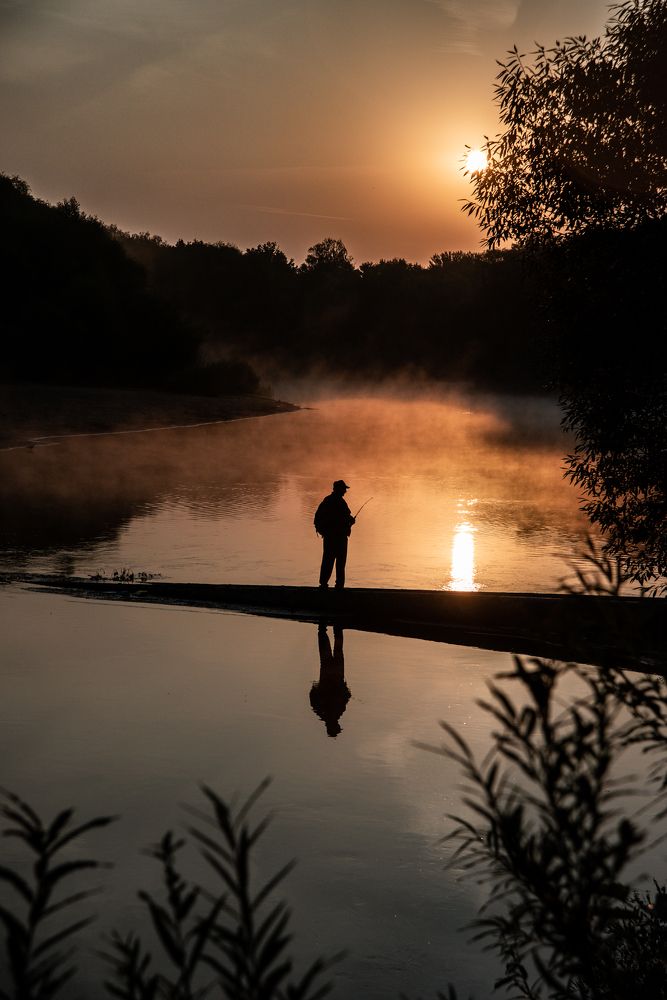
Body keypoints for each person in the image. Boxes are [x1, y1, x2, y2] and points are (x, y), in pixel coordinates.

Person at [309, 623, 351, 737]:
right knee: (333, 650)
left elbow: (347, 696)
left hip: (332, 676)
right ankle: (329, 627)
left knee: (335, 650)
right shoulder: (330, 712)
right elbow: (346, 696)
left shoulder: (325, 712)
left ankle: (329, 627)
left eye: (336, 726)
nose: (337, 724)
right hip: (334, 676)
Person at [314, 479, 355, 588]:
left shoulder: (327, 500)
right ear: (339, 489)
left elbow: (318, 517)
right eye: (344, 489)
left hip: (329, 537)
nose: (345, 491)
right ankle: (339, 586)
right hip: (340, 537)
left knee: (327, 560)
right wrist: (351, 521)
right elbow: (346, 518)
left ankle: (323, 584)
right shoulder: (341, 502)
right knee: (340, 563)